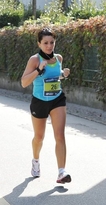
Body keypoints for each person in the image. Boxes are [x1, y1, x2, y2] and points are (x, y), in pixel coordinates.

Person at [21, 28, 72, 184]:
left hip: (57, 100)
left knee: (60, 135)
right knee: (39, 137)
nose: (49, 46)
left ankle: (61, 172)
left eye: (52, 42)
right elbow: (24, 82)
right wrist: (38, 69)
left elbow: (54, 78)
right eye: (45, 43)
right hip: (39, 101)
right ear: (39, 43)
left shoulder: (58, 58)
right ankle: (35, 160)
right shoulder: (34, 60)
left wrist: (63, 75)